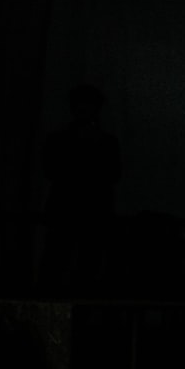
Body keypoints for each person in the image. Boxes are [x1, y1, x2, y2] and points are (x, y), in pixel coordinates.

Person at [38, 83, 122, 295]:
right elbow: (51, 170)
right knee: (65, 264)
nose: (84, 110)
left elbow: (113, 174)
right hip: (78, 211)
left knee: (78, 266)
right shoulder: (65, 140)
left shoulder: (101, 142)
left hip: (81, 212)